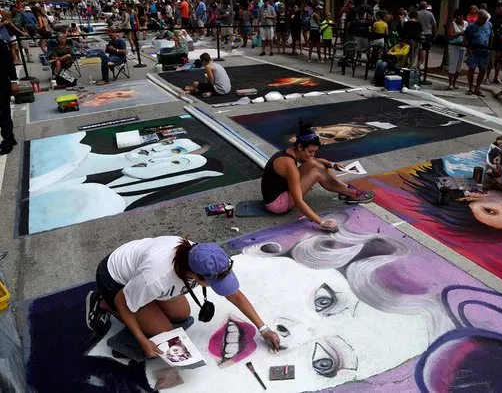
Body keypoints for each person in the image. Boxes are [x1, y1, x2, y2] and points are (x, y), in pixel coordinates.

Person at [85, 237, 281, 358]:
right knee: (162, 332)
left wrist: (263, 329)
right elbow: (123, 302)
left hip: (142, 278)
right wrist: (143, 340)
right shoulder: (156, 277)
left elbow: (235, 296)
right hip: (114, 279)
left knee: (182, 314)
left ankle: (146, 302)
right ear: (194, 276)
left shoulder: (200, 256)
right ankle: (102, 303)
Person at [261, 121, 375, 223]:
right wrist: (321, 222)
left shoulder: (291, 151)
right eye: (310, 151)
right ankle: (351, 193)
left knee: (316, 164)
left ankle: (347, 190)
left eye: (314, 151)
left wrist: (333, 165)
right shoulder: (289, 165)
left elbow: (315, 161)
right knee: (316, 173)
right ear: (300, 147)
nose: (312, 155)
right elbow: (299, 202)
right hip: (277, 204)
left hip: (280, 191)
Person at [464, 9, 492, 97]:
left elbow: (491, 36)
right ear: (479, 17)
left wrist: (490, 47)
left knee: (483, 69)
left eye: (486, 19)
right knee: (471, 69)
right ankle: (470, 87)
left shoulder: (489, 25)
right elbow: (465, 38)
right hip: (474, 50)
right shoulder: (471, 26)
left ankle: (477, 88)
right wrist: (468, 48)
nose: (485, 21)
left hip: (484, 51)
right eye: (483, 19)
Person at [1, 40, 18, 155]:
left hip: (1, 83)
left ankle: (7, 142)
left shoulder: (0, 44)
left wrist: (13, 81)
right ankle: (10, 138)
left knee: (2, 113)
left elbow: (9, 63)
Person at [447, 8, 467, 90]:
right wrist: (459, 33)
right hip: (454, 46)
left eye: (461, 16)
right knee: (453, 64)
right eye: (458, 16)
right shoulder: (453, 24)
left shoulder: (466, 23)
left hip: (463, 47)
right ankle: (450, 83)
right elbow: (450, 35)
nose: (460, 18)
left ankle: (455, 82)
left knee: (459, 65)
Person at [417, 1, 437, 70]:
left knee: (419, 48)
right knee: (424, 49)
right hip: (428, 33)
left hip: (418, 33)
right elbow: (434, 25)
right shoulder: (430, 14)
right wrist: (435, 34)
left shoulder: (417, 13)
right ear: (426, 6)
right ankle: (422, 64)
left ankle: (418, 62)